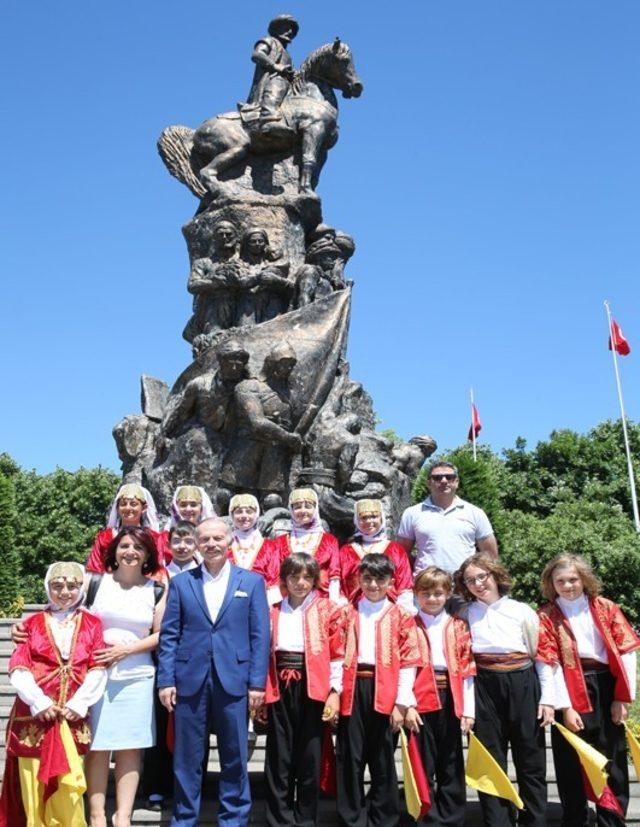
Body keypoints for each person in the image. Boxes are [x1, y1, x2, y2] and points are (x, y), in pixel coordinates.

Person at [157, 517, 270, 827]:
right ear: (196, 543)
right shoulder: (181, 583)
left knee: (235, 756)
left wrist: (257, 683)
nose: (211, 544)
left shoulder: (251, 582)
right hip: (190, 680)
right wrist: (166, 679)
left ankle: (233, 819)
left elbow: (260, 637)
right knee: (187, 758)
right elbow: (169, 635)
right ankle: (184, 819)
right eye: (204, 539)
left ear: (230, 540)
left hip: (234, 680)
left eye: (217, 538)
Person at [0, 562, 107, 827]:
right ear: (48, 587)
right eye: (57, 586)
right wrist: (38, 701)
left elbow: (97, 667)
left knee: (68, 788)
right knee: (34, 785)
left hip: (71, 718)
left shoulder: (92, 624)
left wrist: (80, 703)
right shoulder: (32, 623)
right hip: (34, 720)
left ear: (81, 588)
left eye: (72, 586)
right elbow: (19, 667)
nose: (65, 592)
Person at [538, 554, 640, 825]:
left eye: (573, 579)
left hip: (605, 684)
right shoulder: (547, 615)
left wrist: (622, 697)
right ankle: (575, 818)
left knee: (611, 757)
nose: (568, 585)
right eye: (560, 581)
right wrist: (566, 707)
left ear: (584, 578)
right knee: (570, 759)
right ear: (551, 583)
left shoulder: (605, 607)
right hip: (569, 689)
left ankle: (612, 818)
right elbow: (551, 664)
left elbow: (627, 651)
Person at [455, 554, 555, 827]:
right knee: (490, 761)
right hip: (484, 687)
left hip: (523, 684)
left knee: (530, 761)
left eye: (482, 576)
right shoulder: (464, 614)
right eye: (470, 580)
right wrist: (468, 707)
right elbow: (463, 662)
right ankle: (497, 821)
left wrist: (547, 698)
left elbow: (542, 655)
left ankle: (534, 820)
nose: (477, 584)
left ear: (495, 575)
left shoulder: (522, 611)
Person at [85, 527, 167, 827]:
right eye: (124, 546)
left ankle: (123, 815)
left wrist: (127, 650)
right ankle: (96, 815)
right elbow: (67, 615)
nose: (130, 551)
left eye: (138, 547)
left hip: (138, 675)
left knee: (130, 748)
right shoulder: (95, 582)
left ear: (147, 555)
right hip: (95, 676)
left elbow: (162, 634)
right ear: (114, 551)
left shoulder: (156, 589)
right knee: (96, 747)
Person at [336, 554, 422, 827]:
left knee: (383, 755)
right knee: (350, 756)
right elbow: (336, 655)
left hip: (385, 689)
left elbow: (409, 660)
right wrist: (335, 693)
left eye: (380, 579)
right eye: (368, 578)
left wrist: (402, 702)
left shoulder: (401, 616)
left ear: (391, 581)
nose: (373, 584)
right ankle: (352, 817)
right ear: (359, 579)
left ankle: (383, 817)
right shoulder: (346, 612)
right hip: (352, 688)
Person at [261, 553, 344, 827]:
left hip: (313, 686)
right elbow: (261, 652)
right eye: (294, 576)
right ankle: (279, 819)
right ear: (284, 579)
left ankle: (306, 818)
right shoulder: (271, 610)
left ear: (315, 580)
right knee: (278, 755)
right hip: (278, 686)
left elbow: (337, 654)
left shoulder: (328, 610)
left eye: (307, 577)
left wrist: (334, 690)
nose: (300, 582)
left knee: (310, 755)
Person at [404, 567, 476, 826]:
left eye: (438, 593)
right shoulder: (409, 624)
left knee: (451, 757)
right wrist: (407, 705)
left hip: (451, 696)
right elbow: (404, 667)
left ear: (448, 594)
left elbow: (468, 669)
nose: (432, 599)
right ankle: (426, 814)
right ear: (416, 594)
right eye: (425, 593)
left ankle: (452, 816)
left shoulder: (458, 626)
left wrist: (469, 710)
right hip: (420, 697)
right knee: (423, 758)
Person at [143, 521, 200, 811]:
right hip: (163, 655)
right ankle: (157, 787)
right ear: (168, 544)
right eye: (177, 540)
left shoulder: (206, 574)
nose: (182, 546)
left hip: (197, 658)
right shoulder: (156, 576)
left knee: (194, 727)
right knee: (162, 724)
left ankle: (192, 787)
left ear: (196, 543)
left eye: (188, 540)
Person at [397, 461, 498, 576]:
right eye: (437, 478)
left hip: (464, 586)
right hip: (427, 588)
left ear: (457, 482)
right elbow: (402, 554)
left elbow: (490, 555)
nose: (444, 481)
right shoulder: (412, 513)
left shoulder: (475, 513)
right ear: (428, 483)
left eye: (449, 477)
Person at [338, 499, 413, 611]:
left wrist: (403, 611)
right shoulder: (346, 551)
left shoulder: (396, 550)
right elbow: (339, 584)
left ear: (381, 518)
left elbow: (404, 584)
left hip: (388, 610)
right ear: (356, 520)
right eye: (363, 518)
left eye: (374, 517)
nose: (369, 521)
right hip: (354, 610)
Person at [272, 488, 341, 601]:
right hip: (288, 600)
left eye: (308, 506)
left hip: (321, 600)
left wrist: (334, 601)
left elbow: (334, 575)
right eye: (298, 507)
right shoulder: (281, 541)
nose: (303, 511)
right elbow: (276, 574)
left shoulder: (329, 540)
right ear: (291, 510)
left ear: (315, 509)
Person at [86, 483, 163, 573]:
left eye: (133, 504)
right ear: (117, 508)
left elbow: (158, 568)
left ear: (144, 508)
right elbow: (94, 568)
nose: (127, 508)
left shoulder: (153, 538)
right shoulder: (105, 537)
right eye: (123, 504)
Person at [247, 15, 299, 134]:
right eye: (286, 28)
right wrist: (276, 66)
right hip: (271, 82)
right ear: (276, 28)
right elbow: (257, 55)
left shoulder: (287, 54)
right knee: (278, 83)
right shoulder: (269, 41)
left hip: (287, 86)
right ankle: (268, 118)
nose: (290, 32)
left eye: (292, 30)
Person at [228, 493, 282, 605]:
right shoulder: (225, 544)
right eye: (238, 512)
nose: (244, 516)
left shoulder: (269, 546)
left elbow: (274, 577)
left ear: (256, 514)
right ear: (232, 515)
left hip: (261, 601)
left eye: (249, 511)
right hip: (228, 602)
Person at [155, 485, 216, 564]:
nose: (188, 509)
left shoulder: (213, 535)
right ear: (177, 507)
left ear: (201, 508)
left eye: (193, 505)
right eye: (183, 505)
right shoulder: (166, 536)